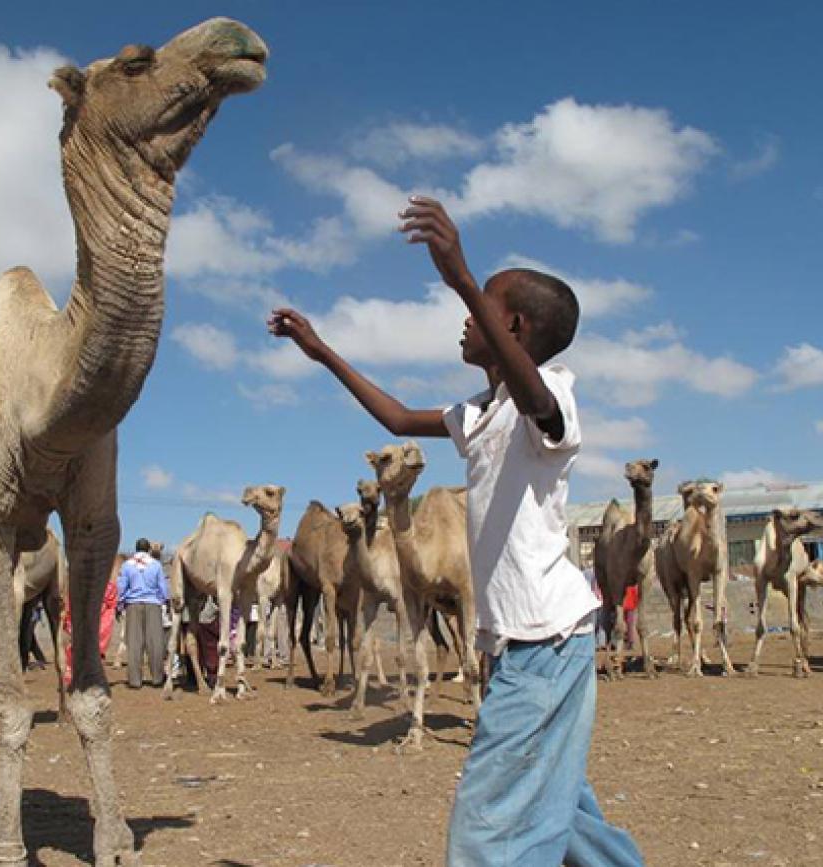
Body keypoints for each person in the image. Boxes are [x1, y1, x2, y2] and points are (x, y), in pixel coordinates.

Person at [268, 195, 644, 866]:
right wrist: (322, 352)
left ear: (516, 327)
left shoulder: (551, 395)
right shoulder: (477, 412)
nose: (464, 323)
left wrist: (462, 275)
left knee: (488, 834)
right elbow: (395, 419)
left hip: (545, 640)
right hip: (517, 647)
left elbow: (540, 408)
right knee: (566, 814)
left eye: (480, 312)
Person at [118, 538, 168, 689]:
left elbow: (121, 587)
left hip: (133, 604)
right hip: (153, 604)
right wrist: (165, 600)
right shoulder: (156, 565)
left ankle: (134, 680)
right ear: (148, 550)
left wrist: (120, 603)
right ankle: (157, 678)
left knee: (134, 643)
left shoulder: (127, 565)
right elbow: (162, 587)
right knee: (155, 642)